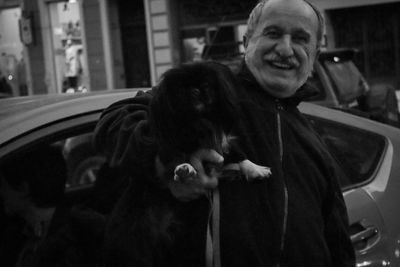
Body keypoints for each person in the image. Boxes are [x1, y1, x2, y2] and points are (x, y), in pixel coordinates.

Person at [94, 0, 356, 266]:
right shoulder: (210, 90)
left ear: (314, 52)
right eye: (273, 33)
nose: (286, 49)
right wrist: (166, 160)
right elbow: (115, 121)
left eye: (300, 39)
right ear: (247, 41)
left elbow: (337, 243)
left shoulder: (312, 141)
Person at [0, 145, 67, 267]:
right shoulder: (22, 232)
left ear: (23, 189)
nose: (1, 192)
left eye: (3, 185)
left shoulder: (70, 243)